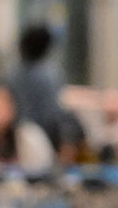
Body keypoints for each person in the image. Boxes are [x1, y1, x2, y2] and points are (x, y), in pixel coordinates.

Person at [5, 24, 76, 162]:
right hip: (44, 136)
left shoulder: (11, 75)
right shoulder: (51, 74)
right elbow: (58, 112)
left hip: (19, 137)